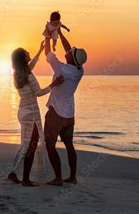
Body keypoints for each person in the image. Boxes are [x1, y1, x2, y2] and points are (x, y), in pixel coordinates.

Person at [7, 41, 65, 187]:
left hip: (22, 112)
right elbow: (39, 93)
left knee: (24, 145)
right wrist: (54, 84)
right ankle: (25, 179)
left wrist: (39, 52)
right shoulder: (29, 75)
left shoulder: (18, 73)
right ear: (23, 58)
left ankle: (13, 173)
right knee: (31, 145)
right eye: (27, 53)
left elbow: (31, 65)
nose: (29, 54)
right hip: (31, 113)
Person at [44, 28, 87, 186]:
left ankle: (58, 178)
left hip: (56, 114)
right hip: (69, 115)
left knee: (49, 145)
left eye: (71, 52)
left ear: (71, 58)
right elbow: (69, 49)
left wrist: (48, 37)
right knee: (69, 145)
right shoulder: (79, 70)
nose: (68, 51)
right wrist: (60, 33)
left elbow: (47, 52)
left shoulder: (60, 68)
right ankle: (73, 177)